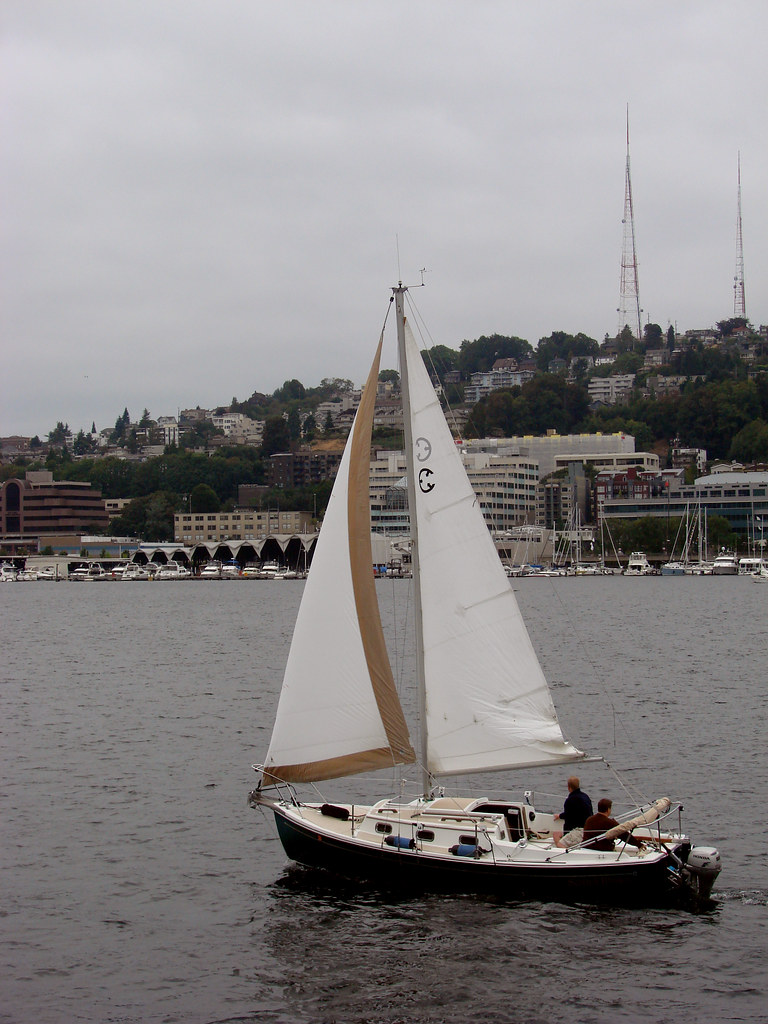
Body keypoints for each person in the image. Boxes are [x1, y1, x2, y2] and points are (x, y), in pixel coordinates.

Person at [553, 776, 592, 847]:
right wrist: (560, 816)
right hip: (587, 829)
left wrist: (565, 835)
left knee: (558, 841)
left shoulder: (570, 800)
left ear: (569, 787)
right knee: (556, 834)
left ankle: (563, 854)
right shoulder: (585, 797)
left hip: (578, 831)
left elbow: (568, 818)